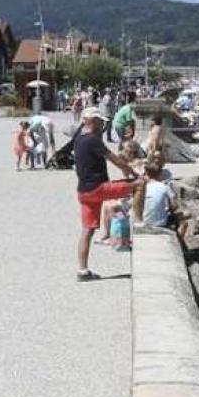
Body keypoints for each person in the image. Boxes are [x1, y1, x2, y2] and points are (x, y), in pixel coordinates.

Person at [74, 107, 138, 281]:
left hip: (83, 191)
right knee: (140, 184)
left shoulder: (78, 139)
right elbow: (114, 159)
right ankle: (141, 221)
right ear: (92, 121)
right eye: (100, 122)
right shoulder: (93, 140)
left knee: (87, 230)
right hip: (98, 189)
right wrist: (132, 174)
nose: (103, 125)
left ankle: (82, 271)